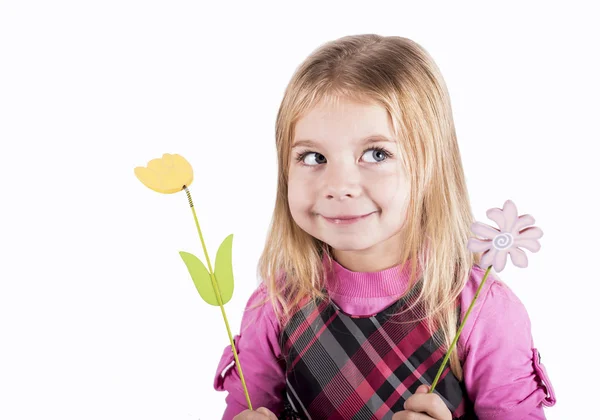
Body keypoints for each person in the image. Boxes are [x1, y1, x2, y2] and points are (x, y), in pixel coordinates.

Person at [212, 34, 556, 419]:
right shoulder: (275, 306)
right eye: (313, 156)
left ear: (431, 168)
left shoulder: (480, 311)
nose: (339, 186)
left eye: (377, 154)